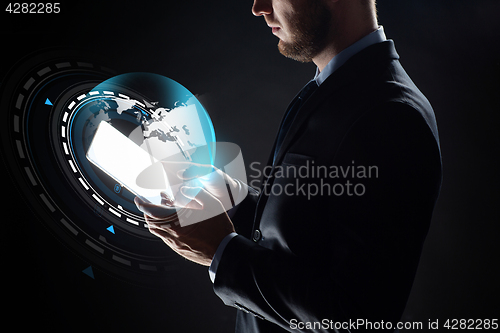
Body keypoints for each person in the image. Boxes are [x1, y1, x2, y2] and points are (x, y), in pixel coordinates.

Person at [134, 0, 442, 332]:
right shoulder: (331, 88)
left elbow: (356, 319)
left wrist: (222, 252)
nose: (258, 7)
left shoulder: (393, 117)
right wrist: (235, 200)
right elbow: (309, 241)